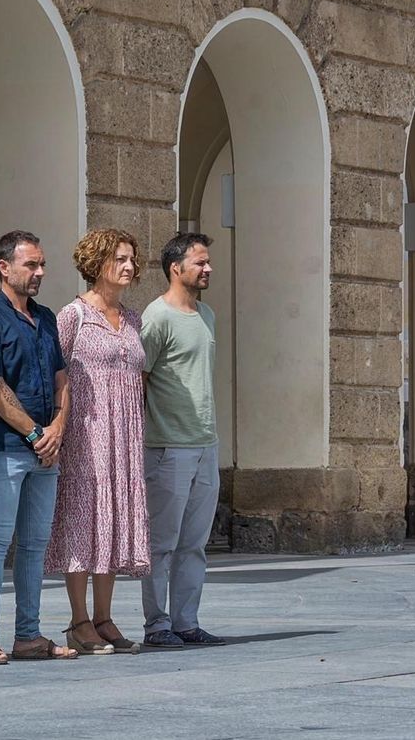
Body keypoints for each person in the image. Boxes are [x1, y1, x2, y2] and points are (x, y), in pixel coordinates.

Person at [0, 230, 78, 664]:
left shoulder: (45, 317)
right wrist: (36, 434)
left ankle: (28, 634)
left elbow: (61, 377)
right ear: (4, 267)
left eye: (42, 264)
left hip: (46, 448)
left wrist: (58, 428)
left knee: (35, 544)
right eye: (31, 265)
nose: (40, 273)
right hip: (6, 448)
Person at [45, 229, 151, 655]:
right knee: (84, 521)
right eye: (120, 259)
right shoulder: (73, 316)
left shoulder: (133, 319)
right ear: (97, 263)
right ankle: (78, 620)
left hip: (124, 435)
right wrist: (58, 426)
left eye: (131, 259)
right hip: (87, 434)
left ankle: (104, 617)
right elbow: (57, 375)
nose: (129, 266)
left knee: (111, 520)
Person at [140, 232, 225, 649]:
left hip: (205, 444)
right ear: (176, 269)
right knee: (162, 544)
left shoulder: (207, 315)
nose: (208, 269)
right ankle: (157, 626)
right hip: (167, 447)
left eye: (208, 262)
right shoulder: (156, 318)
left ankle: (186, 622)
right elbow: (140, 379)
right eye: (200, 263)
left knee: (194, 543)